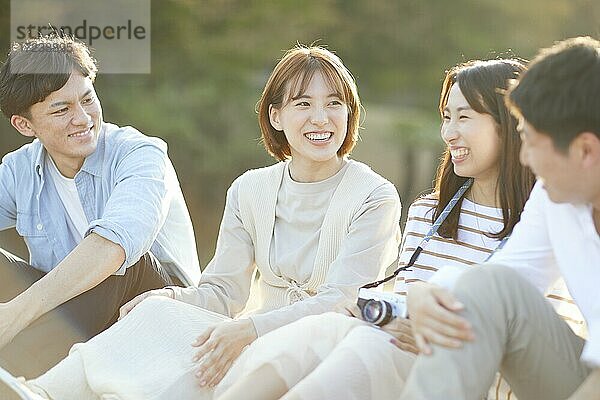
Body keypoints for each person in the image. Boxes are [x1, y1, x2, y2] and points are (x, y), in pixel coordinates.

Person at [6, 44, 402, 400]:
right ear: (276, 116)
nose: (321, 118)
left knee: (150, 301)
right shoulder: (250, 189)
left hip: (318, 339)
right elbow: (223, 291)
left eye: (335, 103)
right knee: (157, 310)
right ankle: (40, 391)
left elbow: (343, 301)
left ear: (350, 113)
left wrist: (249, 330)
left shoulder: (374, 195)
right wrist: (171, 299)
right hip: (248, 330)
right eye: (303, 104)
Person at [213, 58, 581, 400]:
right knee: (337, 326)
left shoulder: (555, 210)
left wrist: (426, 319)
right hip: (415, 357)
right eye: (446, 117)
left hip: (491, 376)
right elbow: (406, 312)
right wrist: (388, 311)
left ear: (511, 124)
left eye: (464, 118)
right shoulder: (427, 213)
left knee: (368, 343)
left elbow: (522, 321)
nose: (449, 133)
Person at [399, 36, 600, 400]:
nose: (524, 159)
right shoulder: (555, 195)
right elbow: (503, 281)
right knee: (489, 284)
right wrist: (426, 290)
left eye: (533, 144)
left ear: (585, 150)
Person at [0, 34, 200, 380]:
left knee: (116, 261)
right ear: (25, 125)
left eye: (87, 99)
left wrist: (16, 314)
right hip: (71, 313)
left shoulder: (140, 155)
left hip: (155, 307)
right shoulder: (19, 170)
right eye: (61, 110)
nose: (82, 118)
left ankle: (20, 370)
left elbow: (112, 251)